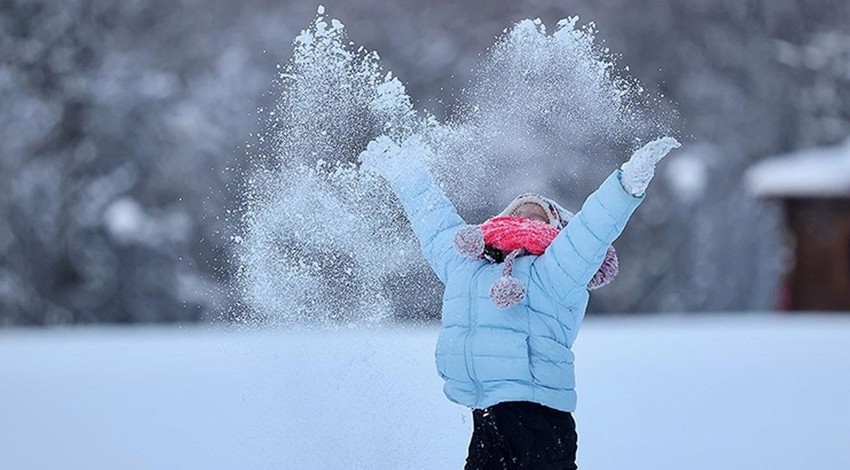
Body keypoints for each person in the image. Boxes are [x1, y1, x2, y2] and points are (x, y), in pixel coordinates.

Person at [358, 135, 680, 469]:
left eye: (539, 216)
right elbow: (435, 225)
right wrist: (406, 173)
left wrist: (625, 186)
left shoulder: (556, 270)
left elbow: (591, 231)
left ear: (557, 231)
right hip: (487, 416)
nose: (527, 216)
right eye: (518, 211)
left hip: (541, 418)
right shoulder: (467, 265)